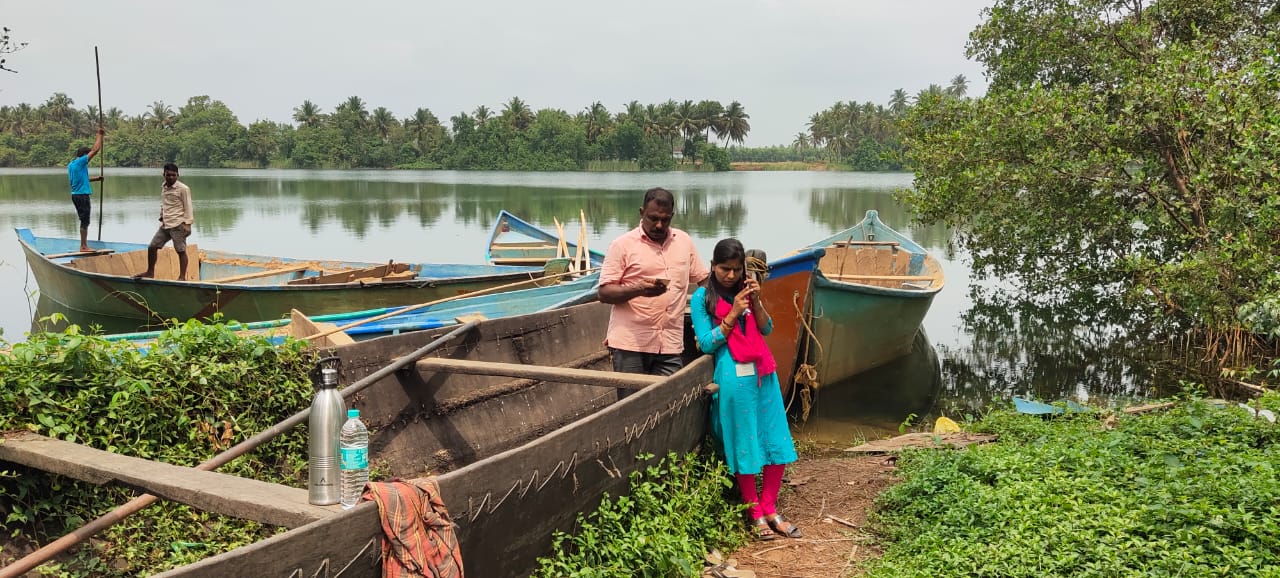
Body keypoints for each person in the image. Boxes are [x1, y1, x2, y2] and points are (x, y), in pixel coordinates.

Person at [689, 238, 802, 541]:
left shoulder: (747, 291)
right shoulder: (702, 299)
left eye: (736, 270)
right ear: (713, 266)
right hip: (733, 374)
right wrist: (733, 313)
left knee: (775, 437)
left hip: (764, 372)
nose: (730, 275)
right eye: (724, 269)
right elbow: (707, 342)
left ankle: (770, 507)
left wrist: (757, 301)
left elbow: (766, 329)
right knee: (745, 442)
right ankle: (754, 512)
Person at [598, 187, 709, 376]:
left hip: (670, 343)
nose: (659, 225)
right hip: (630, 344)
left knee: (670, 403)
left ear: (672, 216)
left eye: (665, 220)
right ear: (642, 213)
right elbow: (604, 293)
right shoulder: (622, 245)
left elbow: (704, 281)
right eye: (653, 218)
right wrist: (638, 289)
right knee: (632, 403)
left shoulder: (683, 241)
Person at [134, 163, 194, 280]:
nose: (171, 177)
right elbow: (165, 203)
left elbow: (188, 206)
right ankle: (150, 272)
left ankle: (182, 277)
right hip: (166, 224)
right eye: (168, 175)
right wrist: (162, 216)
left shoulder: (183, 189)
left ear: (178, 175)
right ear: (164, 175)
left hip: (178, 224)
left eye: (173, 175)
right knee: (152, 247)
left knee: (180, 251)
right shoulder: (164, 187)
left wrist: (188, 224)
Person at [68, 127, 105, 252]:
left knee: (84, 220)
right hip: (82, 195)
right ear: (84, 155)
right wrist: (99, 135)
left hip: (76, 195)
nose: (88, 159)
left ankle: (84, 244)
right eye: (87, 156)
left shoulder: (72, 165)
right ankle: (83, 246)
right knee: (85, 220)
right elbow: (95, 150)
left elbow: (81, 180)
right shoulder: (80, 163)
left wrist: (97, 179)